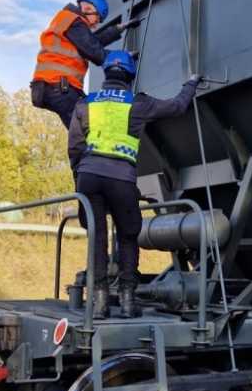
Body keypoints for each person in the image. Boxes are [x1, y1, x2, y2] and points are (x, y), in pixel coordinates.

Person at [67, 50, 201, 318]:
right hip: (121, 178)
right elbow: (176, 107)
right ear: (129, 76)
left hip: (89, 177)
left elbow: (75, 146)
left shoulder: (85, 104)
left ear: (105, 73)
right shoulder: (138, 103)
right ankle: (128, 304)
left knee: (97, 239)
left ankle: (100, 303)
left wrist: (80, 178)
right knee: (128, 237)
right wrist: (192, 83)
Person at [30, 0, 141, 128]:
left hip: (52, 87)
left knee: (80, 133)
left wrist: (119, 28)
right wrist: (125, 58)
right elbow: (94, 51)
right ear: (88, 9)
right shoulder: (75, 21)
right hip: (61, 87)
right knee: (88, 131)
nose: (95, 25)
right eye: (97, 19)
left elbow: (91, 42)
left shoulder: (68, 21)